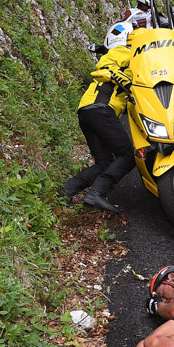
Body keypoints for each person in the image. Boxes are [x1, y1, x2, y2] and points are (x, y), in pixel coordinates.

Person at [60, 22, 135, 212]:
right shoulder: (123, 52)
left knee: (105, 163)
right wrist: (128, 84)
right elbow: (106, 65)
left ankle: (66, 191)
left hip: (88, 111)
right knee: (127, 155)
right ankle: (97, 193)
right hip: (101, 108)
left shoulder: (126, 57)